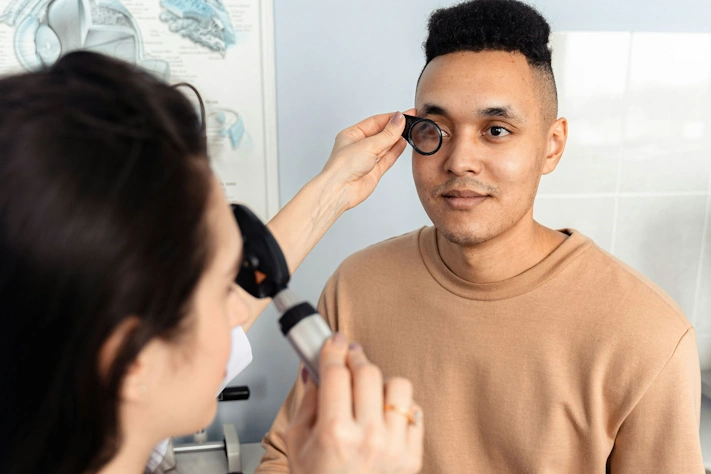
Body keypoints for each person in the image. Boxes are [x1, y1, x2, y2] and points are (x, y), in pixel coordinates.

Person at [256, 0, 705, 472]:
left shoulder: (647, 335)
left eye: (495, 130)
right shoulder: (356, 287)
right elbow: (286, 457)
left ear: (552, 146)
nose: (458, 160)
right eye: (436, 129)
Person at [0, 51, 424, 474]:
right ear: (131, 360)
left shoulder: (84, 421)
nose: (242, 308)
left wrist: (334, 189)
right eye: (224, 288)